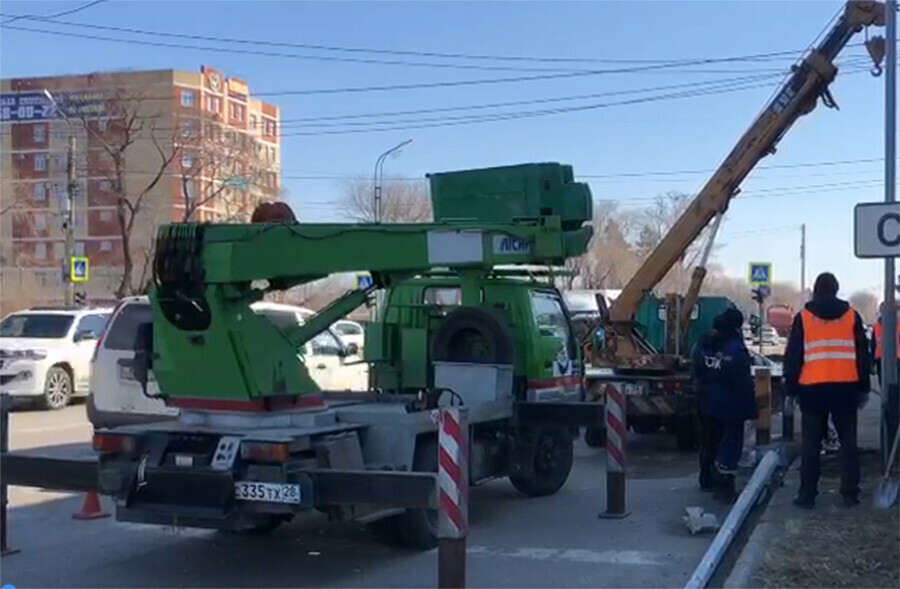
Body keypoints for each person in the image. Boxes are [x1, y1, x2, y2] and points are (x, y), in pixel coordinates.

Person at [783, 272, 871, 509]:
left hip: (812, 389)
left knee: (811, 444)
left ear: (816, 290)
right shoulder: (852, 316)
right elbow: (863, 354)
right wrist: (864, 387)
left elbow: (794, 355)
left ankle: (807, 495)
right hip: (846, 388)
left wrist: (790, 388)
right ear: (836, 289)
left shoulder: (804, 317)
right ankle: (850, 493)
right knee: (848, 443)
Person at [692, 307, 757, 502]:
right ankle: (724, 486)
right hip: (731, 404)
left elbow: (696, 370)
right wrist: (750, 407)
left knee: (709, 440)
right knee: (730, 443)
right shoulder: (735, 349)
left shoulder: (704, 343)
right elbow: (742, 381)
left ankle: (706, 479)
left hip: (706, 401)